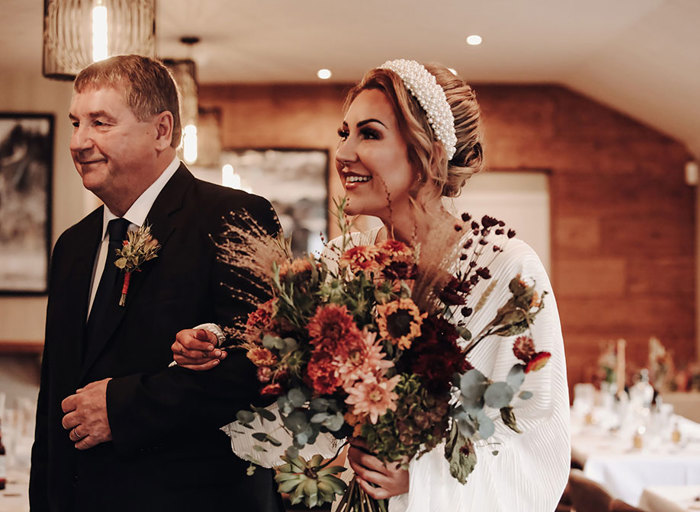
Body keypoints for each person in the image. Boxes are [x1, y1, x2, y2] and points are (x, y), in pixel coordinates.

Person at [173, 59, 571, 511]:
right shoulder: (343, 257)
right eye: (345, 133)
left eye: (370, 133)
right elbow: (286, 358)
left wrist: (420, 475)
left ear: (430, 153)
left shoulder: (503, 269)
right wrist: (219, 340)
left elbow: (536, 441)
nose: (343, 153)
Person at [29, 54, 285, 512]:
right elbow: (54, 405)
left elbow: (262, 366)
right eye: (75, 123)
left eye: (100, 122)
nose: (79, 142)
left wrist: (123, 406)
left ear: (162, 130)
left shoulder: (235, 218)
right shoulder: (73, 246)